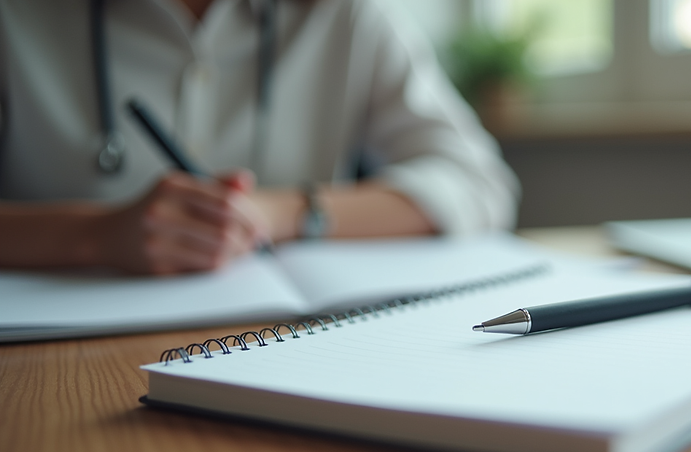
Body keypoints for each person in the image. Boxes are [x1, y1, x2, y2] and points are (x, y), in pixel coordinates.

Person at [0, 0, 519, 275]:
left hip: (279, 346)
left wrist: (285, 214)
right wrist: (96, 236)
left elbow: (478, 183)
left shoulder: (346, 14)